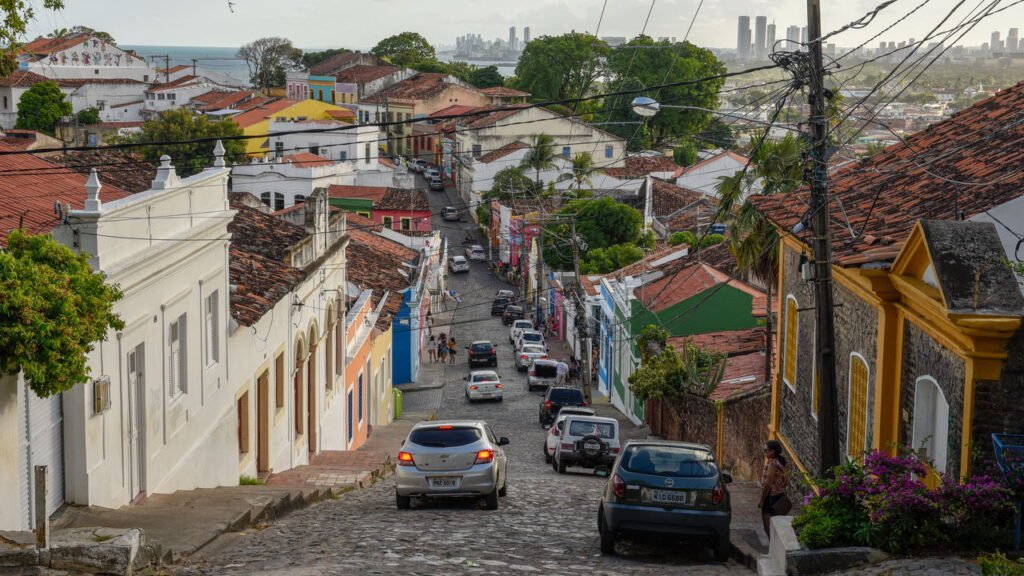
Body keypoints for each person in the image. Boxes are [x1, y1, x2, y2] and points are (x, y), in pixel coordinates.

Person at [760, 440, 791, 539]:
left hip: (770, 497)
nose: (764, 452)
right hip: (779, 496)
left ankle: (773, 547)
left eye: (766, 450)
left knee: (768, 528)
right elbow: (786, 482)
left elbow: (768, 483)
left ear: (772, 451)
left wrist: (762, 500)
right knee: (777, 526)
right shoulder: (782, 463)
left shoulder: (772, 464)